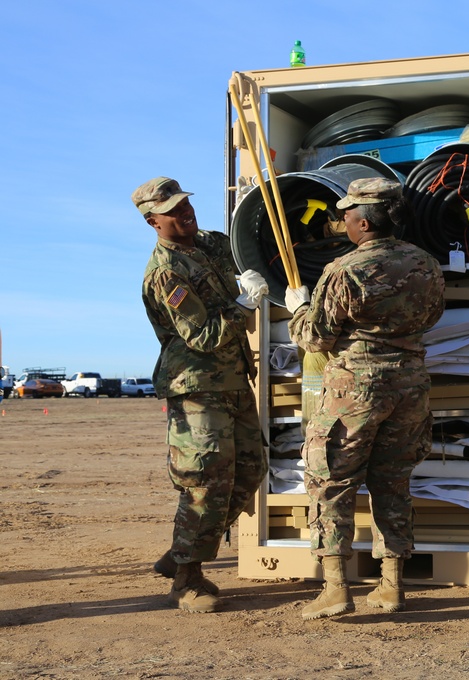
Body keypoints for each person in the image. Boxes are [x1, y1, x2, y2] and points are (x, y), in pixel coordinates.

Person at [285, 177, 445, 621]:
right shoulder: (427, 264)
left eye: (346, 215)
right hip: (410, 385)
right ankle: (391, 586)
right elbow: (431, 316)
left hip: (354, 388)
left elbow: (315, 339)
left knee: (331, 481)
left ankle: (336, 587)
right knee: (392, 480)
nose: (342, 221)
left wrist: (297, 307)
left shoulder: (344, 271)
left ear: (362, 220)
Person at [134, 176, 268, 614]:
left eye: (185, 203)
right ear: (153, 221)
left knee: (251, 470)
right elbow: (204, 335)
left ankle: (180, 552)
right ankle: (186, 579)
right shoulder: (165, 272)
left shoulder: (210, 242)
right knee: (205, 483)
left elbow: (244, 249)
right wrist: (244, 306)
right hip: (195, 385)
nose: (185, 212)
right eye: (173, 210)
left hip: (233, 378)